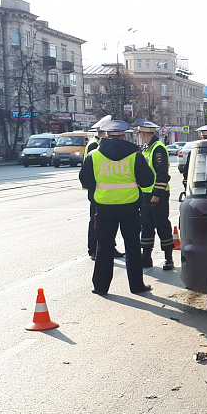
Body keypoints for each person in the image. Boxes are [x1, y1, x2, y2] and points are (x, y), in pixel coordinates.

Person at [79, 120, 154, 295]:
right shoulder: (135, 156)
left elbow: (85, 181)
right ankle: (136, 286)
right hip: (130, 209)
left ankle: (101, 287)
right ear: (123, 136)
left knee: (104, 248)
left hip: (104, 209)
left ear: (106, 136)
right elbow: (147, 181)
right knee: (133, 247)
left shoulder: (94, 156)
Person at [135, 119, 175, 270]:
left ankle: (168, 259)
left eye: (140, 133)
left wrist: (156, 194)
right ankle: (146, 257)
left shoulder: (158, 149)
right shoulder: (146, 148)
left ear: (144, 133)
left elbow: (162, 174)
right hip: (145, 195)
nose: (139, 136)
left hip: (158, 195)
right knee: (146, 226)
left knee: (162, 226)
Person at [85, 116, 123, 261]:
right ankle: (93, 249)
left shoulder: (98, 143)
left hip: (103, 188)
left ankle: (110, 247)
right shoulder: (94, 145)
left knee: (108, 222)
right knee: (95, 222)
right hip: (97, 189)